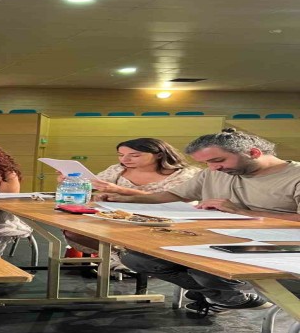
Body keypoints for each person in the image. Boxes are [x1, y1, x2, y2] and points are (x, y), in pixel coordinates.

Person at [103, 129, 300, 316]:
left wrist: (243, 212)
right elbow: (173, 195)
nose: (213, 168)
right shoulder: (214, 172)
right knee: (137, 259)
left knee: (204, 270)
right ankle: (226, 296)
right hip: (215, 238)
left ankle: (226, 292)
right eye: (206, 163)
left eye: (217, 160)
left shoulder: (294, 175)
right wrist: (122, 199)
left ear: (254, 153)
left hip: (272, 246)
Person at [62, 138, 200, 271]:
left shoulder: (184, 174)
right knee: (74, 231)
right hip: (120, 219)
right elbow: (93, 186)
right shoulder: (117, 169)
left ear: (159, 155)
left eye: (135, 155)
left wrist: (120, 190)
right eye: (121, 155)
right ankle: (120, 255)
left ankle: (136, 260)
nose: (125, 159)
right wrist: (73, 180)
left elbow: (172, 198)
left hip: (166, 222)